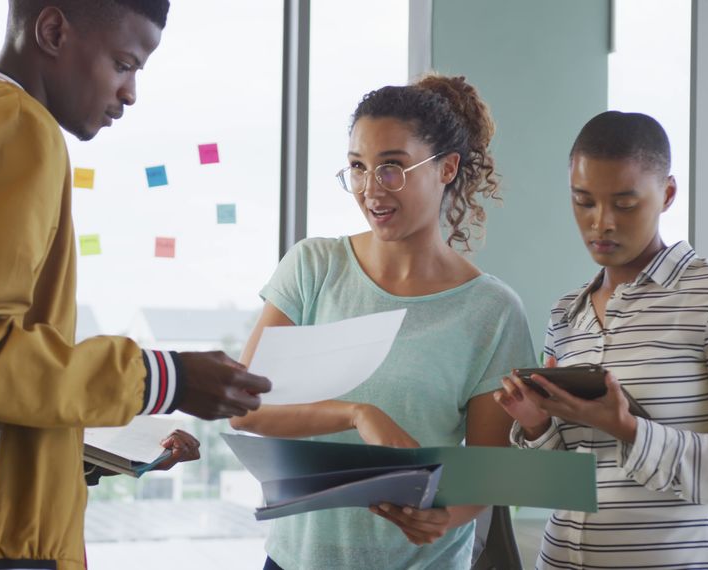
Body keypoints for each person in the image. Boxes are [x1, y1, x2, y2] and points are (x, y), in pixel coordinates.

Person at [0, 1, 270, 569]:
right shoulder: (15, 126)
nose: (130, 92)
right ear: (51, 31)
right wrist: (165, 379)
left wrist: (76, 452)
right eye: (125, 62)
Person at [229, 75, 537, 569]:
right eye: (357, 168)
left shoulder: (491, 310)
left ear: (446, 169)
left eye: (392, 168)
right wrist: (357, 414)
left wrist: (446, 515)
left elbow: (488, 470)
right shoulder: (314, 268)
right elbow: (247, 408)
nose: (371, 189)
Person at [495, 111, 708, 569]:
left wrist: (629, 429)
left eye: (625, 204)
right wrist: (536, 425)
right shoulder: (565, 313)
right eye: (583, 201)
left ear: (667, 194)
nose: (601, 223)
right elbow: (568, 481)